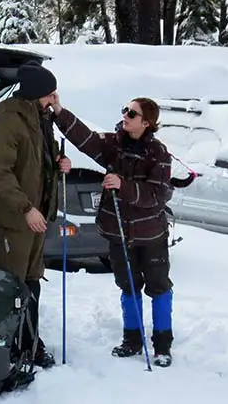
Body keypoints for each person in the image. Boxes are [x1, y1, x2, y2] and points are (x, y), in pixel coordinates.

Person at [49, 96, 175, 367]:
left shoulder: (158, 153)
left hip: (150, 234)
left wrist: (123, 185)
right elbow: (85, 139)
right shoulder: (114, 144)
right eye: (125, 110)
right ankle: (132, 339)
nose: (125, 115)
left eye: (132, 113)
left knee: (159, 286)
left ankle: (162, 345)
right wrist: (59, 112)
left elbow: (158, 195)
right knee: (128, 285)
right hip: (117, 231)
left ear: (147, 122)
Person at [0, 61, 71, 369]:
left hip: (35, 218)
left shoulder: (37, 120)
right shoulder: (11, 122)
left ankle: (29, 342)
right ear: (35, 94)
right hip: (15, 218)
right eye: (49, 94)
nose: (53, 99)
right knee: (11, 284)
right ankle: (4, 348)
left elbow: (36, 162)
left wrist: (59, 161)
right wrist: (26, 208)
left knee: (31, 282)